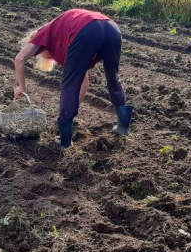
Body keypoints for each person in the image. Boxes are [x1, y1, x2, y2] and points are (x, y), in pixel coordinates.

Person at [13, 9, 133, 148]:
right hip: (112, 28)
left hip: (87, 31)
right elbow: (84, 84)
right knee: (113, 77)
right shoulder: (64, 31)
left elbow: (19, 59)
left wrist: (22, 87)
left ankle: (65, 142)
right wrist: (73, 108)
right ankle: (123, 128)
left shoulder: (42, 35)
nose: (52, 58)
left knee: (70, 84)